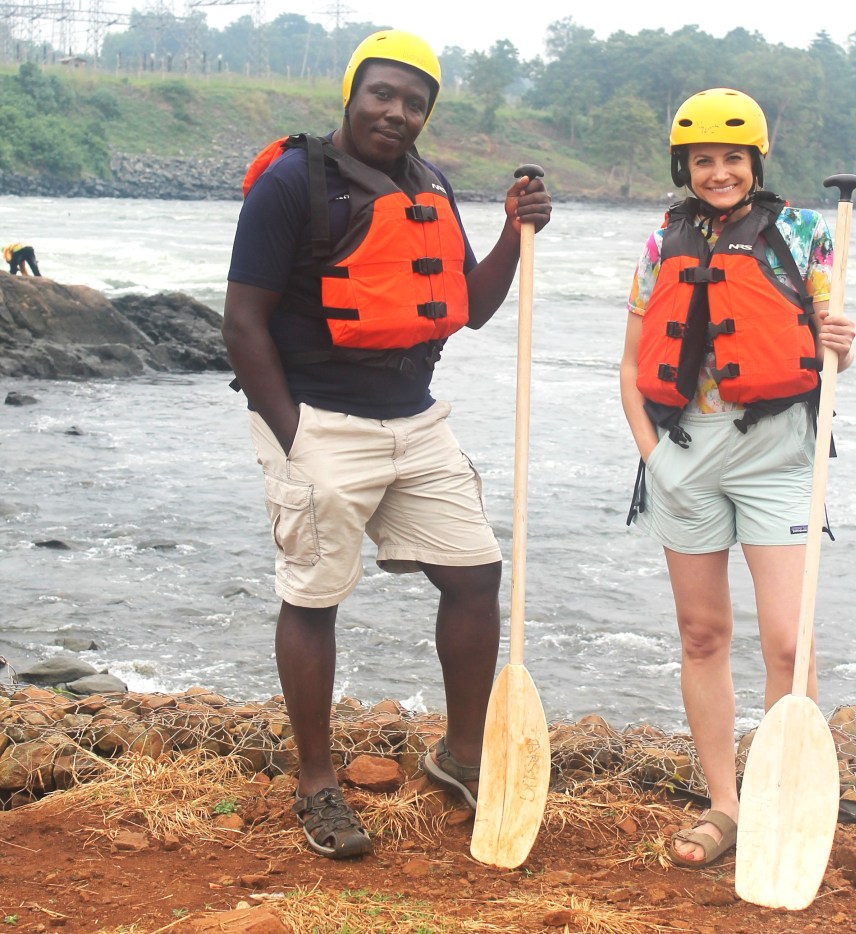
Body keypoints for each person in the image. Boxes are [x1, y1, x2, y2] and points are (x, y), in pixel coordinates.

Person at [221, 29, 551, 860]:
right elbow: (243, 322)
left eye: (414, 102)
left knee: (474, 574)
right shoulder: (292, 184)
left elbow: (470, 306)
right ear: (352, 93)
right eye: (383, 94)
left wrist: (513, 233)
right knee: (315, 597)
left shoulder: (429, 184)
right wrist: (293, 436)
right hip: (318, 420)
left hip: (416, 419)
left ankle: (462, 755)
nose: (396, 112)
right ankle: (317, 783)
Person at [618, 88, 856, 868]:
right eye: (702, 160)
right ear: (683, 168)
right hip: (684, 455)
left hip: (777, 453)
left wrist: (844, 345)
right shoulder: (661, 242)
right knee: (702, 634)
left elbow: (828, 352)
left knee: (787, 640)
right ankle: (725, 806)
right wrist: (655, 458)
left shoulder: (805, 233)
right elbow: (630, 367)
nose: (718, 172)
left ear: (756, 161)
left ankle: (783, 799)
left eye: (732, 158)